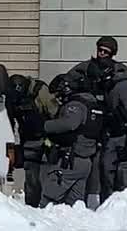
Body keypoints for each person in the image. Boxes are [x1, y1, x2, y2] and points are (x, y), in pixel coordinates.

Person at [67, 36, 127, 205]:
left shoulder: (122, 84)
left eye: (106, 52)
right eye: (100, 50)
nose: (102, 54)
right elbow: (71, 77)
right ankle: (107, 212)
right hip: (104, 135)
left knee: (124, 179)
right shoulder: (89, 68)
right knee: (106, 176)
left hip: (123, 135)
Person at [39, 72, 104, 207]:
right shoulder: (93, 103)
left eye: (59, 93)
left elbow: (69, 124)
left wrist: (44, 126)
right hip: (85, 161)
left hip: (70, 161)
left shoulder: (75, 104)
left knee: (48, 202)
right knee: (74, 207)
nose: (58, 98)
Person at [4, 73, 59, 208]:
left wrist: (53, 140)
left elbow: (55, 114)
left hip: (46, 139)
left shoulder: (40, 91)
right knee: (31, 178)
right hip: (28, 140)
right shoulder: (11, 96)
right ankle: (32, 206)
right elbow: (9, 121)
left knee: (47, 175)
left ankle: (48, 206)